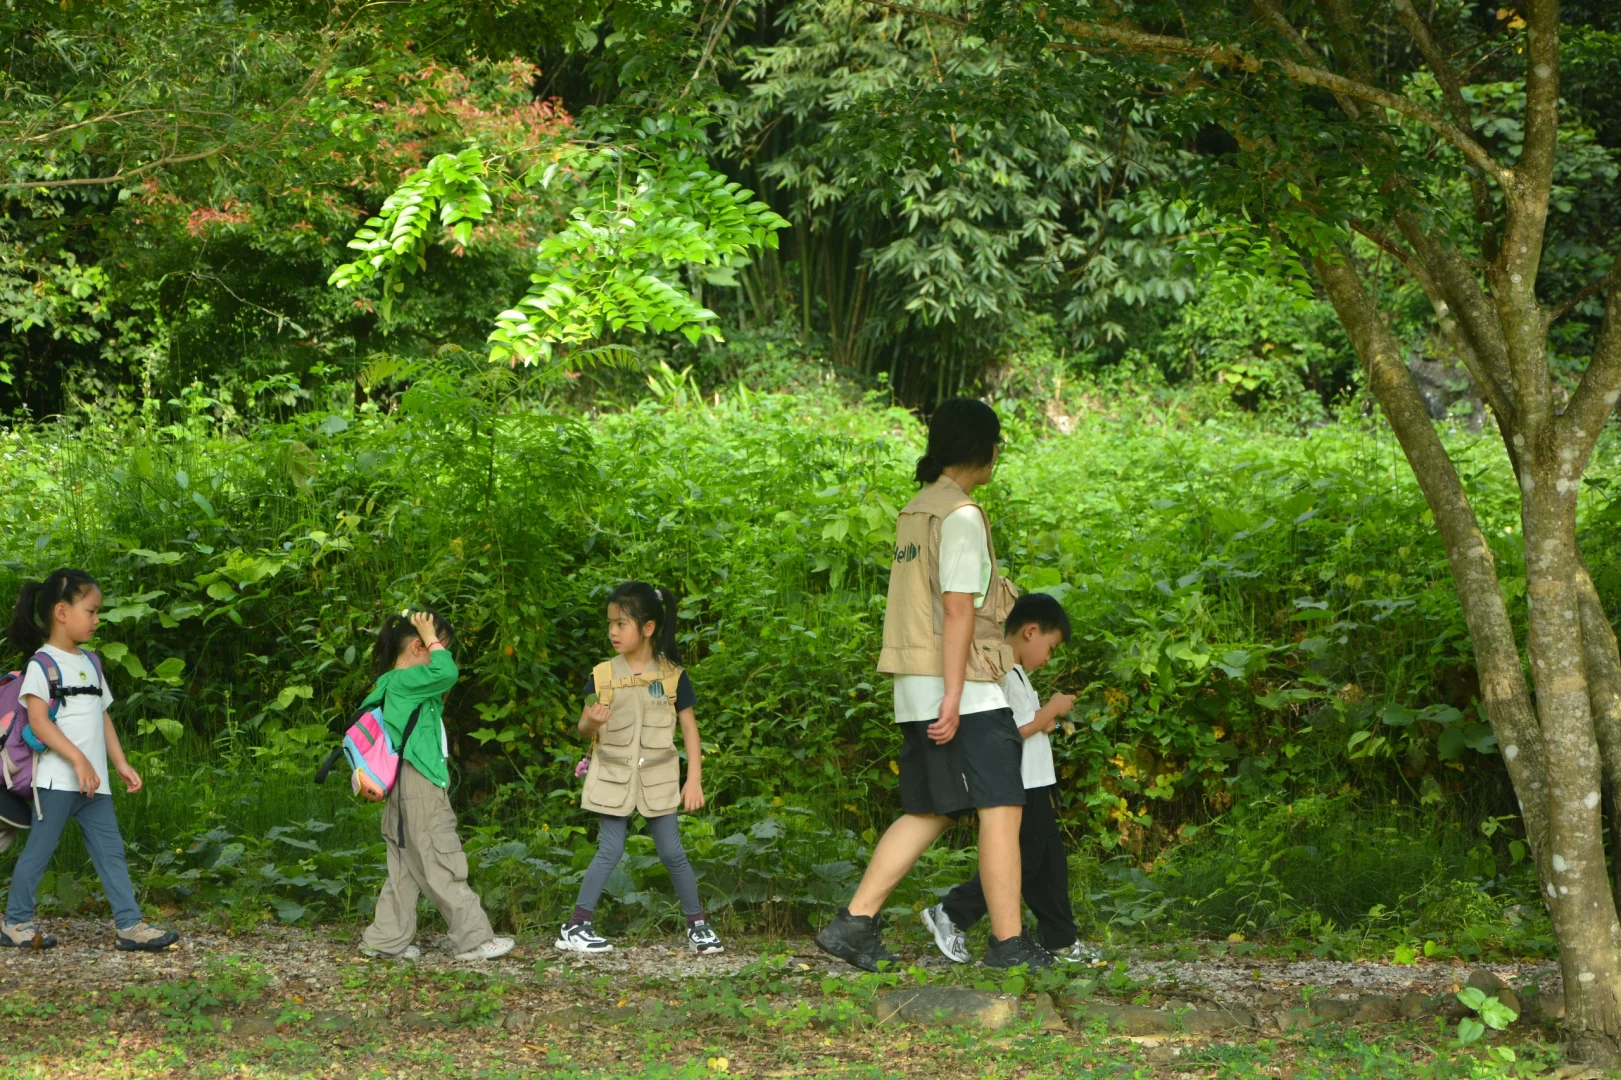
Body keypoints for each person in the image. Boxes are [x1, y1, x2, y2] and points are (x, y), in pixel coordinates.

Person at [816, 398, 1051, 971]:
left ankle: (855, 922)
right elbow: (956, 610)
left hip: (914, 686)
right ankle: (1009, 944)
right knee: (1002, 805)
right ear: (984, 448)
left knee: (931, 808)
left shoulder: (914, 511)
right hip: (963, 690)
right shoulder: (961, 515)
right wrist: (953, 696)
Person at [1, 568, 179, 951]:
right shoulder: (42, 665)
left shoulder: (92, 662)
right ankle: (15, 923)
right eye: (92, 611)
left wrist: (120, 763)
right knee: (39, 852)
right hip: (55, 782)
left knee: (111, 852)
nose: (98, 620)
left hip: (95, 782)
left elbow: (102, 717)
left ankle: (129, 926)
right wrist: (79, 760)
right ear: (62, 612)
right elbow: (39, 724)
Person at [923, 591, 1099, 964]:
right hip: (1020, 784)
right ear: (1031, 632)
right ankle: (953, 912)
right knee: (1027, 864)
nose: (1048, 658)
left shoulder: (1017, 674)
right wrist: (1049, 709)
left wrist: (1043, 721)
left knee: (1048, 863)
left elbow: (1024, 726)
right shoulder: (1000, 673)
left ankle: (1059, 937)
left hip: (1036, 782)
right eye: (1050, 648)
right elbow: (1007, 733)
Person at [556, 582, 722, 956]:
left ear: (648, 628)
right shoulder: (601, 676)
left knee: (672, 852)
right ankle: (576, 925)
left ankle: (698, 925)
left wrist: (693, 779)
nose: (613, 631)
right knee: (609, 850)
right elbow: (583, 728)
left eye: (622, 623)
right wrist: (591, 723)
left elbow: (690, 730)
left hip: (658, 779)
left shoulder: (673, 676)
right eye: (610, 623)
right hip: (612, 777)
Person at [358, 608, 513, 962]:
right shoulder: (407, 681)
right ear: (417, 647)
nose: (443, 653)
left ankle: (385, 940)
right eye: (438, 646)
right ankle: (474, 939)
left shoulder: (387, 684)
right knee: (441, 856)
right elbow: (447, 672)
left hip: (400, 784)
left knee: (405, 864)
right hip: (420, 782)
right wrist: (430, 634)